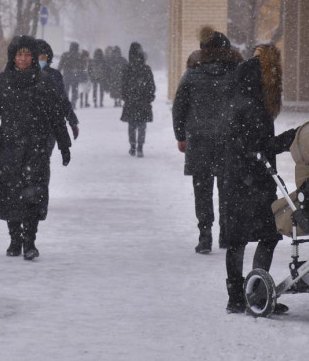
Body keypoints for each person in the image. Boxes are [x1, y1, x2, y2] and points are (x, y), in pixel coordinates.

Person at [0, 35, 72, 260]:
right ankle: (15, 238)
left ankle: (30, 241)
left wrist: (64, 144)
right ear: (12, 56)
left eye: (27, 54)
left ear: (33, 57)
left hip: (36, 146)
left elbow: (56, 116)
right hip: (9, 146)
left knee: (34, 192)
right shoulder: (0, 82)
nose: (23, 59)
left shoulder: (45, 83)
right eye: (19, 54)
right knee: (10, 193)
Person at [222, 42, 296, 313]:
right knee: (267, 235)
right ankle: (255, 293)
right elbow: (259, 145)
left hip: (237, 178)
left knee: (238, 239)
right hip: (252, 180)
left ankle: (238, 297)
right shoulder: (255, 101)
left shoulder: (240, 91)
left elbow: (246, 142)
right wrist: (289, 138)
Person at [172, 26, 244, 254]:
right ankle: (225, 234)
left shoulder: (192, 73)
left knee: (202, 190)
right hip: (228, 140)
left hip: (199, 140)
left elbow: (179, 106)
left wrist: (181, 136)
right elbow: (245, 106)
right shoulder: (237, 74)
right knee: (227, 189)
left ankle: (205, 235)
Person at [36, 38, 80, 148]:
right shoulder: (21, 76)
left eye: (42, 57)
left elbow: (63, 100)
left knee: (43, 154)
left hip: (49, 125)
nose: (39, 60)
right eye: (36, 57)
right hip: (29, 127)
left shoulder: (54, 75)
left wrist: (73, 122)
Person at [120, 42, 155, 157]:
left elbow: (123, 85)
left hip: (131, 101)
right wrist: (149, 97)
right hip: (143, 101)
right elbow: (151, 85)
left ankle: (133, 146)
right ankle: (140, 147)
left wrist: (126, 96)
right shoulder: (146, 69)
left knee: (132, 125)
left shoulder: (127, 69)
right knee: (142, 125)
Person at [58, 41, 84, 107]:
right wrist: (80, 73)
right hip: (75, 75)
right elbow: (82, 66)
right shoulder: (79, 55)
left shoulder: (65, 54)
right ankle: (73, 103)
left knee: (66, 90)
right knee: (74, 90)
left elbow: (60, 65)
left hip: (66, 75)